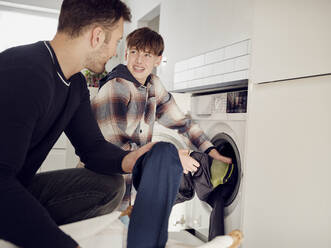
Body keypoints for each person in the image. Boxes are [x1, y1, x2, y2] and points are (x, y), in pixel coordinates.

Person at [0, 1, 173, 248]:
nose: (115, 51)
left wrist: (130, 159)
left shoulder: (76, 84)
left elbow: (91, 147)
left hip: (16, 185)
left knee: (110, 186)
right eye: (116, 41)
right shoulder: (25, 71)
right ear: (97, 36)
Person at [91, 27, 233, 247]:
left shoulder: (152, 85)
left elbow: (182, 123)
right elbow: (115, 149)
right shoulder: (116, 87)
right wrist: (172, 158)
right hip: (103, 185)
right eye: (135, 52)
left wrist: (212, 151)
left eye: (147, 54)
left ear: (157, 59)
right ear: (126, 53)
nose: (139, 60)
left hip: (131, 188)